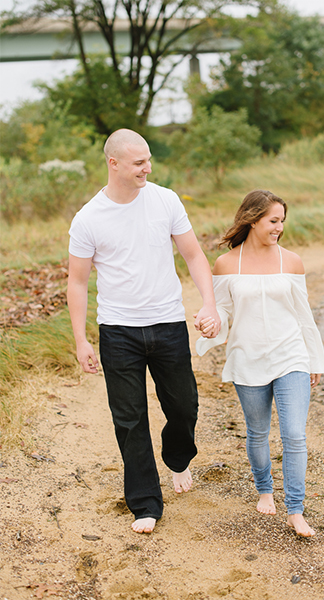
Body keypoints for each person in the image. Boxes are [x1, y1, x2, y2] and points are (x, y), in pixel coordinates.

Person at [67, 128, 221, 535]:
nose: (147, 168)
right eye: (139, 162)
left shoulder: (165, 199)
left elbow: (193, 254)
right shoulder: (88, 219)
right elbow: (77, 282)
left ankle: (178, 457)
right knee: (130, 419)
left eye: (149, 159)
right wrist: (81, 339)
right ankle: (146, 503)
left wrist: (209, 304)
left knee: (184, 406)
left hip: (168, 323)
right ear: (113, 163)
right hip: (118, 332)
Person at [196, 189, 324, 538]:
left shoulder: (292, 261)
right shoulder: (226, 264)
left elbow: (304, 315)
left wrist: (315, 359)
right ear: (253, 220)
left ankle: (296, 510)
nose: (279, 228)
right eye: (273, 220)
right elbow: (222, 312)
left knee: (295, 435)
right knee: (257, 433)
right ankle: (265, 489)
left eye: (282, 221)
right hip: (247, 359)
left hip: (291, 357)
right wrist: (210, 324)